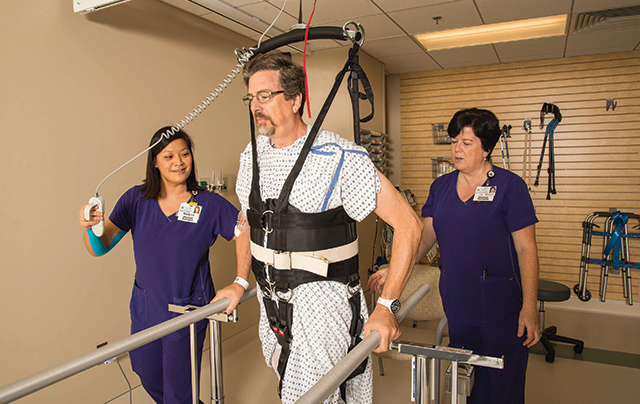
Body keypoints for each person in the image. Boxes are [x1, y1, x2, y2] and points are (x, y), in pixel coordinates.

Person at [213, 51, 421, 404]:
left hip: (322, 304)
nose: (255, 106)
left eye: (265, 96)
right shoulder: (251, 155)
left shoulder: (340, 156)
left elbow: (409, 226)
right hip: (271, 303)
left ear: (295, 99)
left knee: (307, 398)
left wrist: (386, 306)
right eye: (251, 98)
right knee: (294, 385)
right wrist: (238, 280)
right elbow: (248, 221)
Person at [369, 108, 541, 404]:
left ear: (486, 148)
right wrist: (394, 268)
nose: (456, 149)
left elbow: (527, 249)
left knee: (504, 384)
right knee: (467, 381)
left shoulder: (510, 187)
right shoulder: (442, 187)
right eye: (453, 141)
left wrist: (529, 307)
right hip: (459, 302)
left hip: (501, 305)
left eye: (467, 142)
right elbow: (423, 238)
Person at [79, 127, 248, 404]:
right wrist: (91, 228)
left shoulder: (208, 203)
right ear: (154, 161)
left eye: (184, 154)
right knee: (147, 375)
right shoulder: (136, 199)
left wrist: (240, 281)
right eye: (168, 156)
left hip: (186, 309)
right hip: (146, 308)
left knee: (178, 392)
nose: (178, 162)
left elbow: (243, 227)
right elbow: (102, 247)